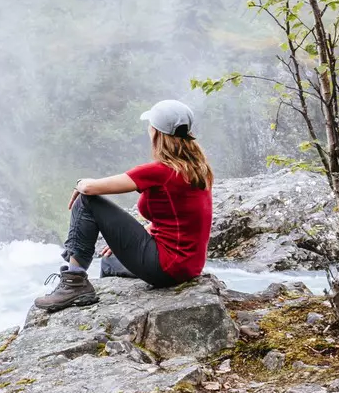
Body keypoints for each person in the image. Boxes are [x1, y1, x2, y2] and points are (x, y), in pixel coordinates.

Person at [34, 99, 215, 312]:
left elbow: (91, 189)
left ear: (156, 132)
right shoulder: (197, 168)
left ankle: (74, 283)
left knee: (86, 201)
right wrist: (129, 240)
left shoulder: (159, 171)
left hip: (166, 267)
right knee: (109, 262)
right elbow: (183, 219)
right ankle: (90, 295)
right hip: (188, 266)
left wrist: (80, 184)